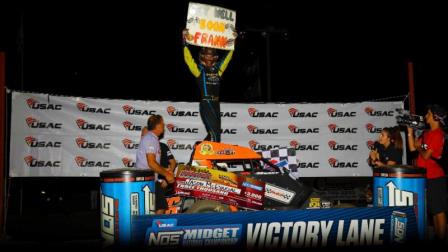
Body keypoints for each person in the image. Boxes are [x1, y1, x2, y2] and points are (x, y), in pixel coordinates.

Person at [182, 28, 237, 142]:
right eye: (206, 55)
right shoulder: (199, 70)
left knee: (217, 135)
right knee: (213, 134)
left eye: (211, 55)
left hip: (216, 104)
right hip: (206, 103)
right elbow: (188, 59)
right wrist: (184, 42)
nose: (209, 57)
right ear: (202, 56)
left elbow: (228, 58)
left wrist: (233, 39)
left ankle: (199, 149)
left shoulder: (218, 70)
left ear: (214, 57)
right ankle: (204, 154)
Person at [407, 104, 447, 241]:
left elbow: (425, 155)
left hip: (435, 177)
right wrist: (410, 132)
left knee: (438, 211)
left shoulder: (437, 134)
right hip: (425, 178)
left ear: (435, 117)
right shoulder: (426, 133)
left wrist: (419, 147)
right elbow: (413, 148)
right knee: (433, 211)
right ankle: (437, 236)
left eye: (429, 114)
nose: (426, 116)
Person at [136, 115, 174, 215]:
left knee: (157, 206)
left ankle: (152, 228)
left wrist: (165, 169)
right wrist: (166, 174)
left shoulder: (152, 139)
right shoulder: (150, 139)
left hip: (149, 178)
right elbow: (151, 163)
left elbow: (150, 162)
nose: (164, 125)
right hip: (146, 179)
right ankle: (154, 229)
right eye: (162, 123)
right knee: (160, 206)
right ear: (157, 126)